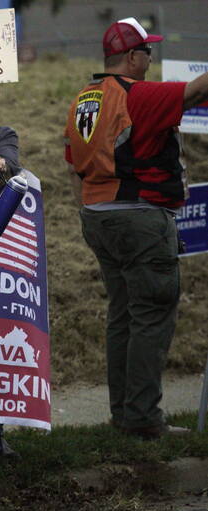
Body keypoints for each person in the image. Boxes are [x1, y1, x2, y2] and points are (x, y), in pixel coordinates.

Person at [64, 17, 208, 440]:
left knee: (123, 315)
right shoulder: (136, 95)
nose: (151, 58)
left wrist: (88, 212)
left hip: (98, 215)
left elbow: (72, 165)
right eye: (148, 52)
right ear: (131, 57)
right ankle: (143, 419)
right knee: (151, 314)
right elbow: (198, 90)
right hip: (140, 216)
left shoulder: (83, 99)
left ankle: (124, 414)